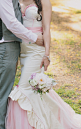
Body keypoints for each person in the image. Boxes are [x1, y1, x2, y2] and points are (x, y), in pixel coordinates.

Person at [6, 0, 81, 129]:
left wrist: (47, 54)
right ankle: (50, 117)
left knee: (23, 88)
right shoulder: (16, 1)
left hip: (36, 50)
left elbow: (47, 28)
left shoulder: (44, 2)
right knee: (34, 89)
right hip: (21, 48)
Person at [0, 0, 44, 128]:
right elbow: (11, 23)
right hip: (6, 46)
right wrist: (34, 38)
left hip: (13, 46)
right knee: (3, 92)